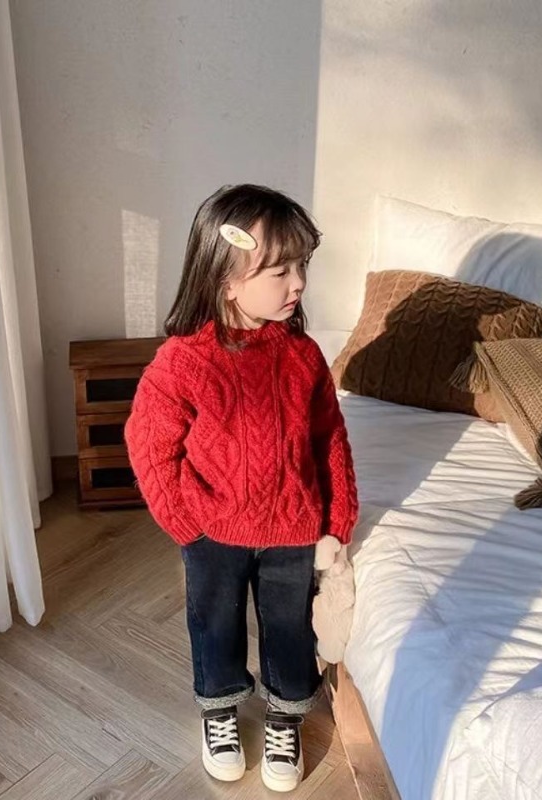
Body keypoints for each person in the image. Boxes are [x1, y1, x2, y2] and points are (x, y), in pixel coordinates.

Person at [124, 184, 359, 792]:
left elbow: (329, 438)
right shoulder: (184, 361)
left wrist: (337, 521)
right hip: (214, 532)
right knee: (214, 625)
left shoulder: (304, 357)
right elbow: (149, 443)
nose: (298, 283)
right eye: (280, 271)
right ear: (227, 280)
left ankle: (285, 718)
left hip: (293, 529)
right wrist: (185, 524)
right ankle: (220, 712)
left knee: (289, 629)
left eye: (301, 266)